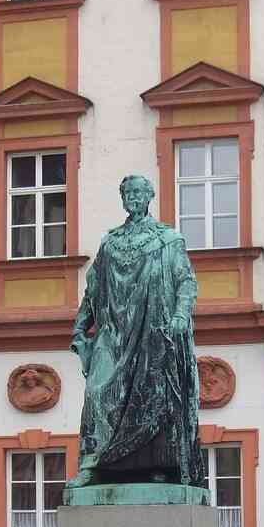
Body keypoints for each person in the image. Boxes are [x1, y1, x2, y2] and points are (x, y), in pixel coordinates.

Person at [67, 173, 204, 489]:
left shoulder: (168, 239)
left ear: (149, 196)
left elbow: (186, 282)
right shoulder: (110, 243)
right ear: (123, 199)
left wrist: (180, 314)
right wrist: (80, 328)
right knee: (97, 392)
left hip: (153, 330)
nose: (133, 197)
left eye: (139, 192)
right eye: (128, 192)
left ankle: (156, 466)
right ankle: (92, 463)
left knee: (153, 395)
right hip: (113, 332)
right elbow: (93, 290)